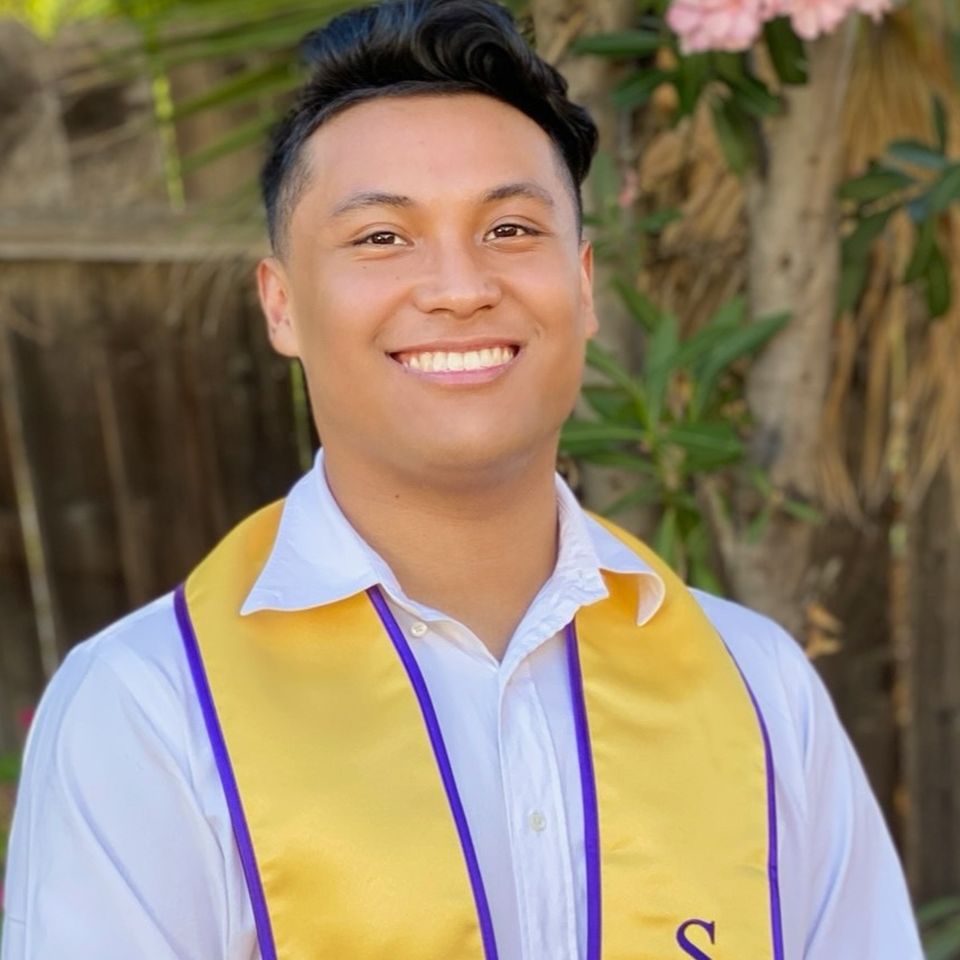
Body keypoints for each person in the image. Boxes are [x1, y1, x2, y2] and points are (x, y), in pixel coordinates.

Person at [1, 1, 924, 958]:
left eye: (511, 228)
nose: (459, 288)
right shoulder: (151, 710)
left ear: (583, 284)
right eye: (381, 238)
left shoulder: (756, 688)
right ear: (281, 305)